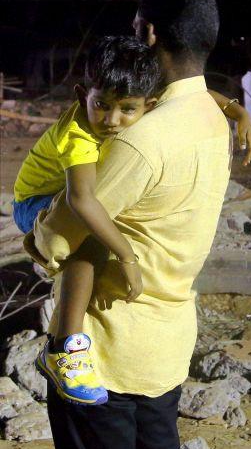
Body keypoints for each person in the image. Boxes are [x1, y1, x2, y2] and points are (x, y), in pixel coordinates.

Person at [27, 0, 251, 449]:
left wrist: (39, 236)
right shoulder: (213, 119)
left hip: (108, 353)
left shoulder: (140, 139)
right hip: (165, 348)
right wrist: (235, 106)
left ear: (148, 32)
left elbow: (58, 239)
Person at [14, 36, 159, 405]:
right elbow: (80, 200)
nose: (112, 120)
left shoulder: (140, 110)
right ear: (83, 96)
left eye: (127, 109)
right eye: (101, 105)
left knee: (102, 225)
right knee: (89, 237)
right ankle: (65, 350)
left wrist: (231, 106)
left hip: (65, 193)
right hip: (34, 201)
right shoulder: (78, 134)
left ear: (150, 105)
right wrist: (127, 256)